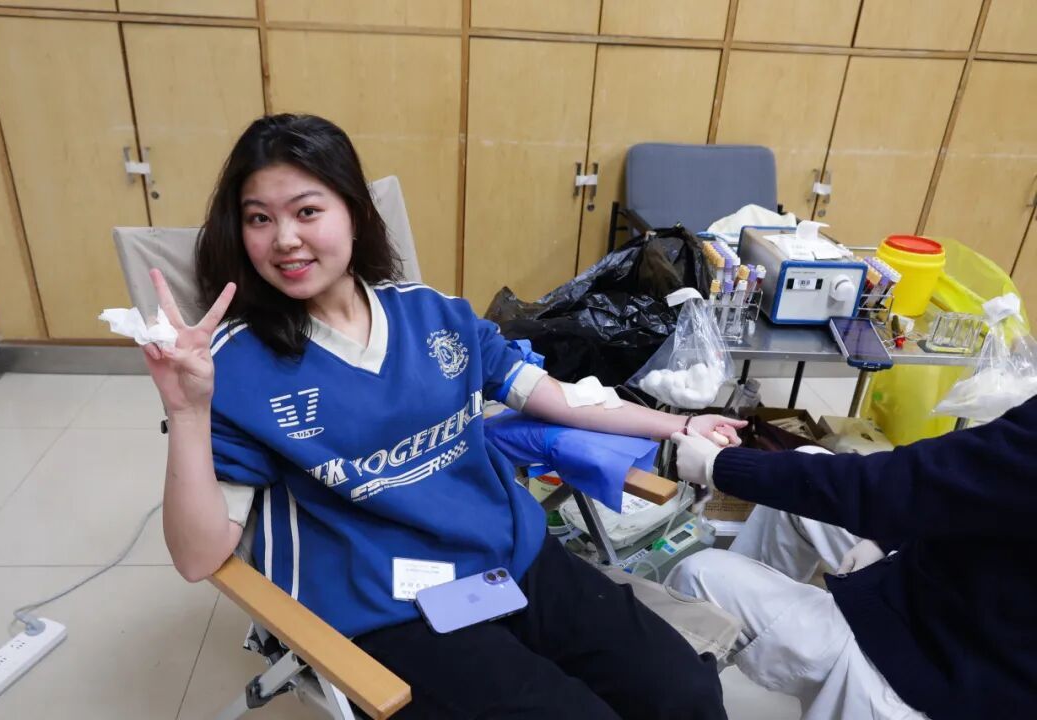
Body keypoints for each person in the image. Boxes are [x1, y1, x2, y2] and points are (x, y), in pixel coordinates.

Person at [142, 113, 745, 719]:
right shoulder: (236, 366)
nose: (285, 239)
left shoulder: (434, 315)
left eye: (307, 211)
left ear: (355, 212)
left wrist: (677, 425)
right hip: (382, 602)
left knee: (684, 691)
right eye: (259, 218)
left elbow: (556, 395)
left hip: (505, 555)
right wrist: (186, 412)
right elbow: (198, 558)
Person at [667, 396, 1037, 720]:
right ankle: (737, 641)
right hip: (949, 597)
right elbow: (963, 486)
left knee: (699, 577)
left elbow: (899, 482)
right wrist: (888, 533)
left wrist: (717, 465)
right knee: (807, 462)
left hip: (941, 674)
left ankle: (671, 689)